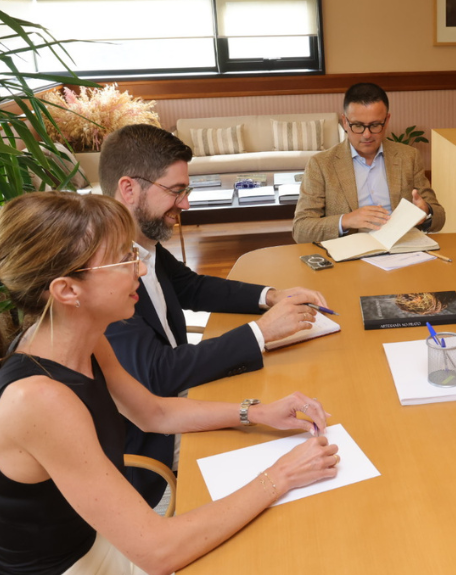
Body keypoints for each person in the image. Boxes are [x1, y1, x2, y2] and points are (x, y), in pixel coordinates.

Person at [0, 192, 339, 574]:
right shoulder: (39, 399)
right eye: (123, 260)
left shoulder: (82, 339)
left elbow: (153, 412)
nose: (139, 269)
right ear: (67, 290)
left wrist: (255, 412)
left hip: (98, 540)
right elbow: (159, 551)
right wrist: (281, 475)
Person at [99, 124, 328, 507]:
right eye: (176, 191)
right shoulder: (105, 275)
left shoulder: (141, 245)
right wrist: (260, 333)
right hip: (154, 460)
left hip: (179, 408)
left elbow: (191, 286)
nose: (185, 204)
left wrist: (271, 296)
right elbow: (157, 375)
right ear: (129, 189)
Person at [292, 82, 446, 243]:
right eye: (357, 125)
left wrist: (426, 212)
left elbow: (439, 218)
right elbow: (301, 230)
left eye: (375, 125)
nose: (367, 135)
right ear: (345, 122)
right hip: (350, 252)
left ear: (386, 121)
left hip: (401, 248)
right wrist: (346, 220)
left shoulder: (408, 157)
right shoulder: (321, 164)